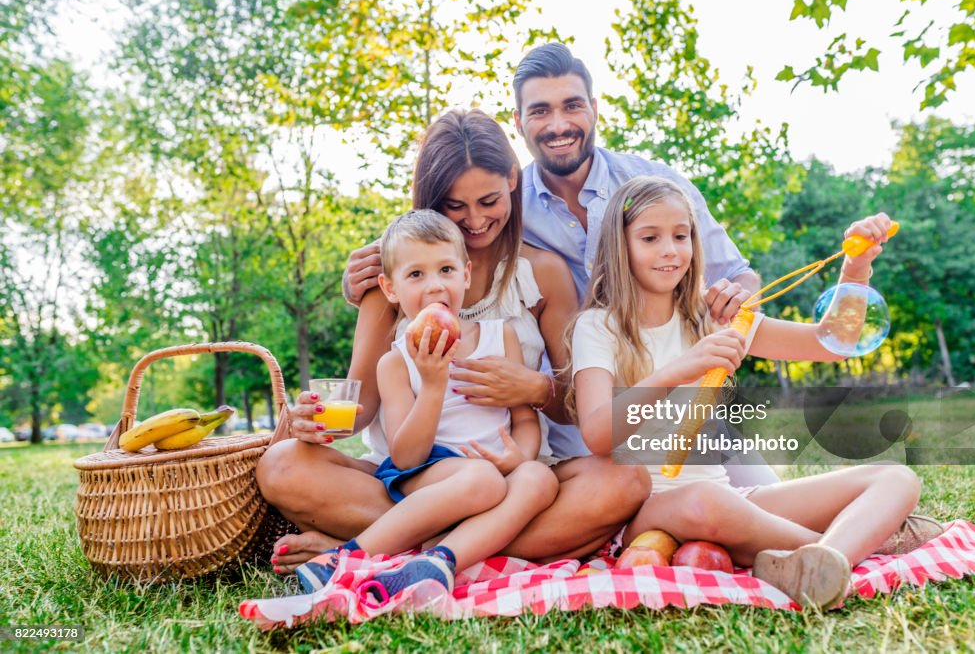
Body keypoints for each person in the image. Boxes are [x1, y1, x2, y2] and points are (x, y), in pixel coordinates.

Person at [343, 42, 780, 485]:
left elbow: (739, 274)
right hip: (582, 429)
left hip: (679, 405)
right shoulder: (505, 207)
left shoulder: (655, 185)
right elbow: (424, 244)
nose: (558, 125)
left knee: (770, 509)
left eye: (572, 106)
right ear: (519, 122)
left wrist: (737, 296)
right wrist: (370, 278)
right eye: (539, 111)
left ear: (593, 108)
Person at [257, 110, 651, 575]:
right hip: (413, 480)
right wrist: (316, 418)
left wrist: (533, 389)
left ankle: (383, 547)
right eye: (454, 206)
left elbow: (581, 408)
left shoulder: (541, 272)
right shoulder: (394, 273)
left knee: (625, 478)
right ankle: (453, 547)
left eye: (488, 200)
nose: (475, 221)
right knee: (282, 466)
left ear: (511, 180)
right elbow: (361, 404)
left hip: (510, 472)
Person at [570, 175, 939, 608]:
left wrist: (855, 267)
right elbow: (597, 433)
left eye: (681, 235)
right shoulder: (598, 327)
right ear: (620, 246)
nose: (670, 250)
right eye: (650, 237)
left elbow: (831, 342)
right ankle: (859, 546)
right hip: (646, 512)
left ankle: (826, 559)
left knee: (897, 476)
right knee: (706, 503)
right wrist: (681, 369)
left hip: (730, 500)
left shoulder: (711, 318)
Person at [292, 210, 559, 599]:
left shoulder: (500, 336)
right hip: (428, 471)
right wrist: (433, 386)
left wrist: (521, 457)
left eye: (446, 270)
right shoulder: (396, 362)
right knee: (481, 479)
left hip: (497, 471)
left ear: (466, 274)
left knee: (540, 479)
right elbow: (405, 456)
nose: (435, 286)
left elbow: (525, 418)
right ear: (390, 288)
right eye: (416, 275)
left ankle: (437, 562)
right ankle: (346, 558)